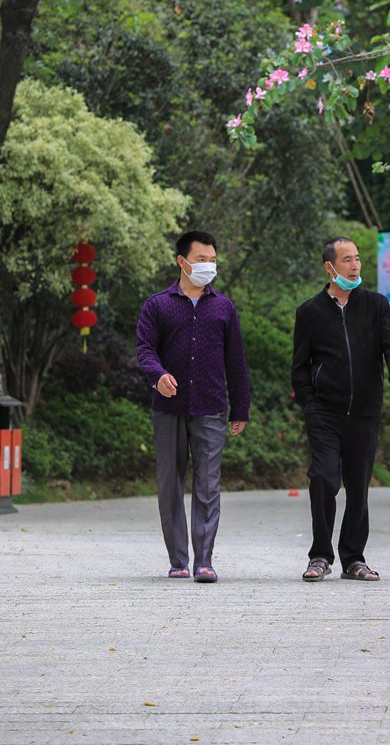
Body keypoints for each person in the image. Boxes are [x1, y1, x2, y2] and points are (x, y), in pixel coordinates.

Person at [292, 236, 390, 582]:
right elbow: (299, 367)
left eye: (357, 258)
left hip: (365, 412)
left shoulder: (376, 305)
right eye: (347, 260)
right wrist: (310, 405)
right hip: (324, 413)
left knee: (358, 487)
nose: (355, 265)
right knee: (323, 479)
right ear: (330, 267)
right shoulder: (310, 312)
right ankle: (319, 556)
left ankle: (353, 558)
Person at [135, 230, 250, 583]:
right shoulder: (158, 305)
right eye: (201, 260)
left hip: (211, 407)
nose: (208, 266)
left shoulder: (223, 307)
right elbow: (144, 349)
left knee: (208, 484)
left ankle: (204, 561)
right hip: (168, 408)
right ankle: (178, 560)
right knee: (170, 482)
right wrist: (158, 375)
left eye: (212, 260)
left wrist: (241, 408)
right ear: (182, 262)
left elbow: (236, 361)